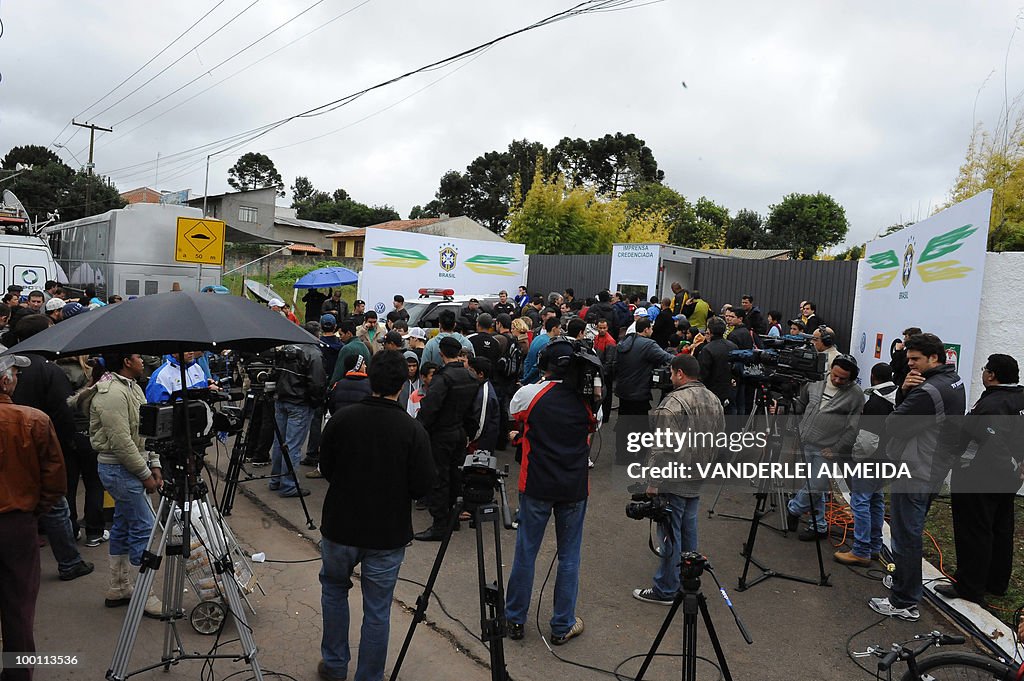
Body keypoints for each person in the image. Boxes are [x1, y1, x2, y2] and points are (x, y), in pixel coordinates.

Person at [317, 350, 436, 681]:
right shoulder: (412, 430)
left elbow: (326, 468)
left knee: (333, 590)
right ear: (403, 383)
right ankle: (368, 675)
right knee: (378, 608)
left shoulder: (342, 420)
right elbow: (422, 484)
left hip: (341, 525)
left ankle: (335, 664)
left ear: (370, 378)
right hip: (387, 532)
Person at [505, 340, 597, 644]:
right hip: (573, 486)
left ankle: (514, 620)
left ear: (545, 364)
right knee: (569, 556)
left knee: (525, 553)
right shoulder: (586, 398)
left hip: (536, 484)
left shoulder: (529, 394)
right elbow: (592, 424)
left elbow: (515, 416)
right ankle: (562, 624)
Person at [869, 333, 965, 622]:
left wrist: (905, 393)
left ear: (933, 358)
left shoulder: (927, 391)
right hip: (933, 466)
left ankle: (904, 600)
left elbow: (894, 425)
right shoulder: (952, 379)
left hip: (916, 469)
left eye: (915, 360)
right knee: (911, 529)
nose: (909, 365)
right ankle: (904, 580)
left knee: (905, 535)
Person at [632, 354, 724, 605]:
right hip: (698, 475)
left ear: (680, 373)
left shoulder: (672, 403)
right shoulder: (713, 399)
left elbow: (662, 448)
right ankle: (687, 580)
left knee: (670, 534)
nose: (669, 377)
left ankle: (666, 589)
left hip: (674, 478)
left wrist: (653, 483)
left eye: (672, 373)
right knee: (688, 529)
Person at [10, 315, 94, 582]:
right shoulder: (48, 369)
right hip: (42, 446)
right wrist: (68, 443)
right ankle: (69, 562)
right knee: (58, 503)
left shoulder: (8, 363)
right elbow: (62, 410)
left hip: (10, 448)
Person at [0, 353, 66, 681]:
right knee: (18, 608)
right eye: (13, 372)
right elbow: (54, 480)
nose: (16, 378)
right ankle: (17, 674)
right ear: (5, 380)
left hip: (20, 518)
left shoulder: (32, 418)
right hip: (17, 523)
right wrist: (32, 511)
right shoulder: (33, 420)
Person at [940, 354, 1024, 604]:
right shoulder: (1019, 397)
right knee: (1000, 528)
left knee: (974, 530)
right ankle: (996, 583)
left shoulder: (992, 405)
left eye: (985, 369)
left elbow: (992, 440)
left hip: (980, 476)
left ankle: (969, 587)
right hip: (1009, 478)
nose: (983, 373)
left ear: (992, 375)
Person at [87, 352, 164, 618]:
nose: (143, 360)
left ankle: (118, 587)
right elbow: (121, 442)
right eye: (138, 357)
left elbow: (146, 432)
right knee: (144, 526)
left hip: (132, 466)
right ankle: (145, 594)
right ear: (126, 362)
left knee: (122, 523)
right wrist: (145, 474)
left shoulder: (133, 388)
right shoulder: (111, 394)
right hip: (119, 469)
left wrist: (155, 465)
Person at [785, 355, 864, 541]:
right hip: (805, 442)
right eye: (834, 375)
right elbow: (801, 405)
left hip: (826, 449)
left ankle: (794, 508)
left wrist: (836, 448)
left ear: (851, 378)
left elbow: (853, 428)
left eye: (842, 379)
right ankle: (819, 525)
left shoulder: (856, 395)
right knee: (814, 488)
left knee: (816, 485)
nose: (836, 380)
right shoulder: (815, 384)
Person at [414, 336, 479, 541]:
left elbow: (430, 409)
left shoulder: (443, 379)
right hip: (460, 433)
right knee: (454, 477)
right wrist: (468, 432)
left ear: (441, 354)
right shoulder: (469, 377)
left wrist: (421, 429)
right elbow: (472, 411)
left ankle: (440, 524)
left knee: (439, 479)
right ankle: (452, 518)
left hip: (441, 434)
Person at [834, 363, 897, 566]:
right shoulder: (898, 397)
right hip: (887, 459)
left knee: (860, 502)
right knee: (875, 501)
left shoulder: (876, 403)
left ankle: (861, 549)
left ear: (873, 376)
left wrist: (855, 458)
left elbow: (867, 440)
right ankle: (874, 547)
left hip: (870, 460)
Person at [613, 318, 675, 464]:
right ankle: (641, 457)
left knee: (623, 424)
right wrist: (685, 359)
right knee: (641, 426)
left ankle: (622, 456)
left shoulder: (624, 342)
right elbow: (666, 358)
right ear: (646, 329)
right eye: (651, 328)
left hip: (623, 391)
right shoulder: (648, 345)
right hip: (638, 392)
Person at [269, 340, 325, 498]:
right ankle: (288, 485)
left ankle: (276, 480)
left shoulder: (286, 349)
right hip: (299, 403)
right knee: (292, 445)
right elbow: (317, 383)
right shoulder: (313, 354)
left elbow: (275, 373)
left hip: (282, 399)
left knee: (280, 442)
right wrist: (315, 403)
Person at [698, 317, 738, 408]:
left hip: (711, 392)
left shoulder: (707, 349)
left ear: (710, 331)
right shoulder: (733, 346)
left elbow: (703, 373)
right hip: (729, 389)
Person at [144, 352, 210, 403]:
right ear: (174, 353)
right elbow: (158, 410)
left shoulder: (197, 368)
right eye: (186, 350)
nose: (191, 352)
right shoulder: (160, 376)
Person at [467, 356, 501, 453]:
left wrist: (469, 441)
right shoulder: (480, 387)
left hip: (479, 446)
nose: (468, 373)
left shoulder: (485, 395)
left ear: (480, 374)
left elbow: (480, 425)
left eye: (471, 370)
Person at [330, 320, 372, 387]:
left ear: (349, 333)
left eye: (341, 334)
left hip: (348, 387)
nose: (340, 338)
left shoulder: (346, 348)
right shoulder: (364, 346)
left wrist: (331, 386)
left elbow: (338, 373)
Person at [522, 317, 561, 385]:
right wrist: (526, 380)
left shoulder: (537, 338)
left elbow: (527, 360)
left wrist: (525, 375)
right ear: (554, 329)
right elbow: (537, 365)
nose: (560, 331)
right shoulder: (549, 344)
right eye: (559, 328)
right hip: (536, 380)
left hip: (528, 375)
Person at [889, 327, 922, 391]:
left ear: (911, 338)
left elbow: (895, 367)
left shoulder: (908, 352)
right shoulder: (909, 351)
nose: (904, 339)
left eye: (906, 336)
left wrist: (898, 351)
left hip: (902, 384)